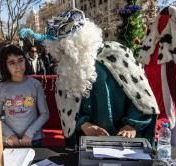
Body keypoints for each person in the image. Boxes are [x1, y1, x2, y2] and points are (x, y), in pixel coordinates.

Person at [19, 9, 159, 146]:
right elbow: (67, 107)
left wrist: (131, 124)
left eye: (66, 48)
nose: (62, 55)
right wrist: (84, 125)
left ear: (80, 42)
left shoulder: (117, 54)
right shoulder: (65, 70)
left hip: (126, 143)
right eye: (59, 50)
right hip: (88, 144)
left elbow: (142, 96)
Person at [138, 6, 176, 145]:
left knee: (168, 117)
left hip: (164, 77)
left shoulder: (172, 60)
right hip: (153, 84)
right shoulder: (153, 49)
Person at [0, 45, 49, 147]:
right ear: (5, 66)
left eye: (20, 60)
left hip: (34, 139)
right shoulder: (0, 88)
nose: (18, 66)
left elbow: (45, 113)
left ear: (25, 61)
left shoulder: (35, 84)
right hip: (11, 141)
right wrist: (9, 135)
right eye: (12, 63)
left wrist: (30, 134)